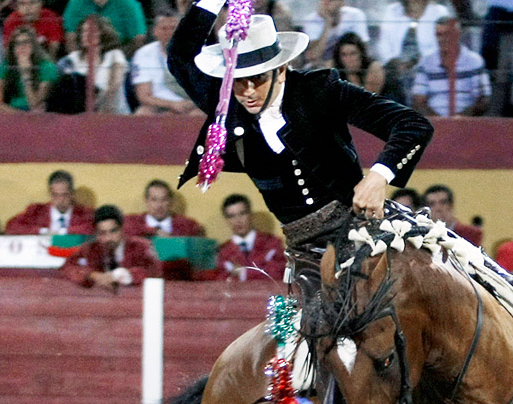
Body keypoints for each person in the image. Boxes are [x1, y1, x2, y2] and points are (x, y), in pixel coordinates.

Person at [167, 2, 433, 248]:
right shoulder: (224, 101)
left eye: (258, 79)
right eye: (238, 80)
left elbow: (411, 124)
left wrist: (378, 176)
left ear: (281, 69)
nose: (247, 91)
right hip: (303, 250)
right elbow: (180, 55)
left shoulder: (319, 91)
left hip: (363, 228)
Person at [60, 204, 162, 289]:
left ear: (122, 229)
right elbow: (68, 267)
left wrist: (127, 274)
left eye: (113, 231)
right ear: (96, 234)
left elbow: (154, 270)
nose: (108, 238)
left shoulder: (140, 246)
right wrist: (92, 275)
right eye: (102, 233)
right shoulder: (89, 249)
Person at [375, 0, 454, 105]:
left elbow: (442, 44)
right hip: (395, 69)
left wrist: (416, 62)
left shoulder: (439, 11)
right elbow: (383, 44)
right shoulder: (392, 11)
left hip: (427, 67)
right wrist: (394, 62)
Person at [412, 14, 491, 117]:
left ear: (458, 34)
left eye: (447, 34)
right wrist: (438, 121)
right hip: (433, 123)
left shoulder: (474, 61)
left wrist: (462, 118)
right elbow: (418, 99)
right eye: (439, 35)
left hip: (466, 123)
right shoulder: (426, 62)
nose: (442, 39)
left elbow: (483, 99)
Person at [55, 15, 129, 113]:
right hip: (80, 117)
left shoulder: (115, 55)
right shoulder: (71, 59)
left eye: (93, 31)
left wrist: (95, 106)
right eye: (84, 31)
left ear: (103, 34)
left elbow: (114, 84)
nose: (88, 35)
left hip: (113, 113)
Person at [130, 11, 200, 115]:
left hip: (191, 105)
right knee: (142, 113)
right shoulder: (143, 54)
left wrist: (189, 104)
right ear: (155, 32)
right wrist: (172, 105)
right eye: (164, 29)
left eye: (173, 28)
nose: (169, 33)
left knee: (199, 114)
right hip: (159, 105)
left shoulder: (199, 52)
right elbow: (143, 96)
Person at [212, 194, 287, 282]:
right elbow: (222, 282)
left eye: (242, 213)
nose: (238, 221)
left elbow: (278, 274)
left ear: (250, 215)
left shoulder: (272, 243)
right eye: (231, 216)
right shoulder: (223, 251)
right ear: (226, 220)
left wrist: (243, 273)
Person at [4, 169, 94, 234]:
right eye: (55, 195)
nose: (60, 200)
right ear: (49, 193)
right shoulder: (37, 211)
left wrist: (63, 232)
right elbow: (11, 226)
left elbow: (93, 227)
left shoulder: (84, 213)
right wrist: (42, 231)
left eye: (64, 195)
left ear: (72, 193)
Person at [0, 25, 58, 111]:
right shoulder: (6, 66)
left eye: (26, 42)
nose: (22, 47)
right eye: (17, 44)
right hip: (12, 113)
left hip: (40, 117)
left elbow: (34, 104)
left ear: (34, 45)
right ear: (13, 48)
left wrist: (26, 75)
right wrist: (19, 115)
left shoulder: (48, 67)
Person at [121, 179, 204, 238]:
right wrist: (153, 232)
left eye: (164, 200)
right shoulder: (129, 224)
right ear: (146, 201)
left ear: (170, 201)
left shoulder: (188, 226)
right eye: (154, 200)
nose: (159, 205)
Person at [299, 0, 370, 68]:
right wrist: (327, 23)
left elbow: (363, 48)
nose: (326, 2)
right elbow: (314, 55)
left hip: (349, 63)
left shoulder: (355, 15)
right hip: (322, 65)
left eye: (331, 0)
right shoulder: (311, 20)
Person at [61, 0, 146, 55]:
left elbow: (138, 40)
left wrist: (112, 59)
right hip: (85, 55)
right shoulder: (75, 3)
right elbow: (70, 38)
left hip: (119, 53)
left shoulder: (129, 4)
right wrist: (79, 62)